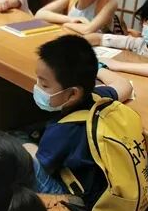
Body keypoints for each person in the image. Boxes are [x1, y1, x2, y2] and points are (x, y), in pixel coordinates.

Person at [24, 35, 133, 202]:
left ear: (73, 93)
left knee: (25, 151)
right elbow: (125, 85)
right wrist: (96, 69)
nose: (37, 87)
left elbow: (42, 167)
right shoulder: (98, 97)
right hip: (98, 186)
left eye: (44, 85)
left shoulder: (62, 131)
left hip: (76, 198)